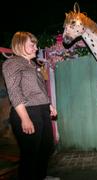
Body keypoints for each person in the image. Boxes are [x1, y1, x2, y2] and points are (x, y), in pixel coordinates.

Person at [2, 31, 60, 180]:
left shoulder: (33, 64)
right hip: (26, 111)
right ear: (20, 45)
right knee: (30, 153)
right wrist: (25, 118)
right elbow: (14, 92)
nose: (36, 47)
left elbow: (40, 88)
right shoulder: (11, 63)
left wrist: (49, 105)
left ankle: (41, 176)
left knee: (46, 147)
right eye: (32, 44)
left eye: (36, 44)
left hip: (42, 110)